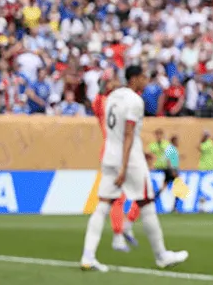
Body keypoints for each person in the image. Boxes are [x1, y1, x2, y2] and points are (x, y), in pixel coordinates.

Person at [80, 66, 187, 272]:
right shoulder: (135, 101)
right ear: (135, 78)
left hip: (109, 156)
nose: (147, 80)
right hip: (128, 160)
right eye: (144, 77)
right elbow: (129, 135)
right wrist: (124, 167)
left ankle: (88, 256)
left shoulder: (112, 97)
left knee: (102, 206)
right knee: (146, 204)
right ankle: (161, 255)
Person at [92, 72, 137, 253]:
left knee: (143, 191)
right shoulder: (104, 104)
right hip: (114, 154)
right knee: (117, 197)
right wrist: (104, 87)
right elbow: (98, 103)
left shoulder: (123, 103)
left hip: (127, 153)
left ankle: (126, 225)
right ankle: (118, 235)